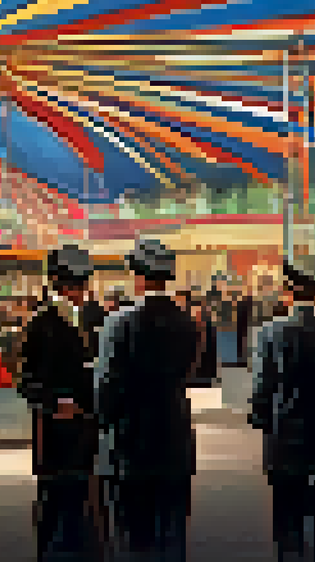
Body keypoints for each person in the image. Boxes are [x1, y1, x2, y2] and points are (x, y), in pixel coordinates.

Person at [96, 239, 201, 561]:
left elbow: (108, 382)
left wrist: (103, 423)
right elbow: (189, 371)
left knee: (133, 533)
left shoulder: (119, 321)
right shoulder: (188, 323)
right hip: (174, 436)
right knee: (172, 530)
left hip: (130, 440)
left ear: (137, 277)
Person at [250, 263, 315, 562]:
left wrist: (261, 419)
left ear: (288, 293)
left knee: (287, 518)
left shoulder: (269, 335)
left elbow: (262, 387)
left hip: (284, 437)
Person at [19, 245, 102, 562]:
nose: (78, 291)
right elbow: (26, 380)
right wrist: (54, 403)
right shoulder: (40, 323)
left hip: (88, 423)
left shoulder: (98, 316)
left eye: (82, 283)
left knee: (86, 498)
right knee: (53, 498)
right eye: (72, 284)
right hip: (54, 426)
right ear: (56, 283)